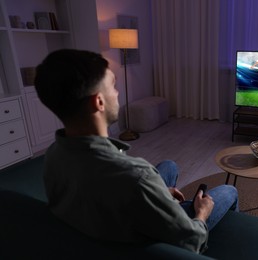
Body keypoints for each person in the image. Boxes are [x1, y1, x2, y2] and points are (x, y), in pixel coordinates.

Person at [34, 49, 238, 254]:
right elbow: (191, 240)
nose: (117, 93)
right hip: (149, 241)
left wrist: (158, 195)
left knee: (169, 165)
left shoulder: (53, 154)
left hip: (100, 223)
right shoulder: (137, 175)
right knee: (229, 191)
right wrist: (201, 214)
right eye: (113, 86)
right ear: (99, 102)